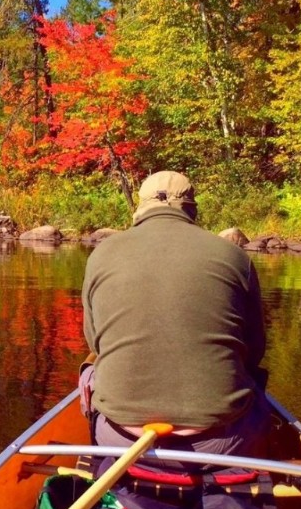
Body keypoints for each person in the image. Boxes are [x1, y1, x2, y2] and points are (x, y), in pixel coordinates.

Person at [79, 170, 271, 468]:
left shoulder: (101, 254)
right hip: (217, 443)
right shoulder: (234, 256)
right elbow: (254, 349)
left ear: (140, 208)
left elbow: (96, 343)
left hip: (120, 438)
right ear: (191, 208)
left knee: (90, 371)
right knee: (254, 385)